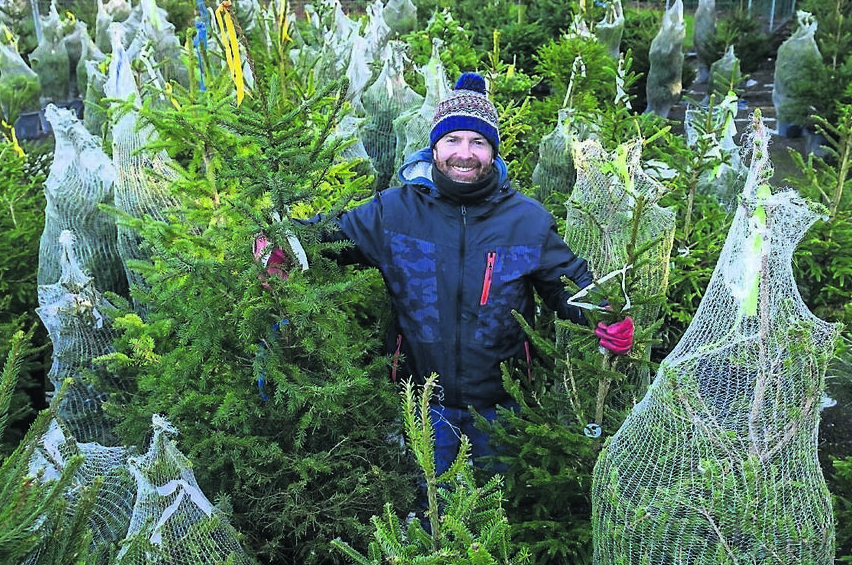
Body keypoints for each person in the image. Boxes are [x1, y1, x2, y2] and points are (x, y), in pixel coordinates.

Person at [264, 73, 633, 474]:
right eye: (453, 140)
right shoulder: (396, 211)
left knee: (495, 509)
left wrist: (603, 315)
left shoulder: (525, 221)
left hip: (501, 404)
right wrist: (280, 241)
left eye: (478, 142)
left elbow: (568, 283)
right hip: (424, 399)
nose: (465, 153)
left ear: (493, 152)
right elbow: (331, 235)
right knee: (430, 506)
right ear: (435, 146)